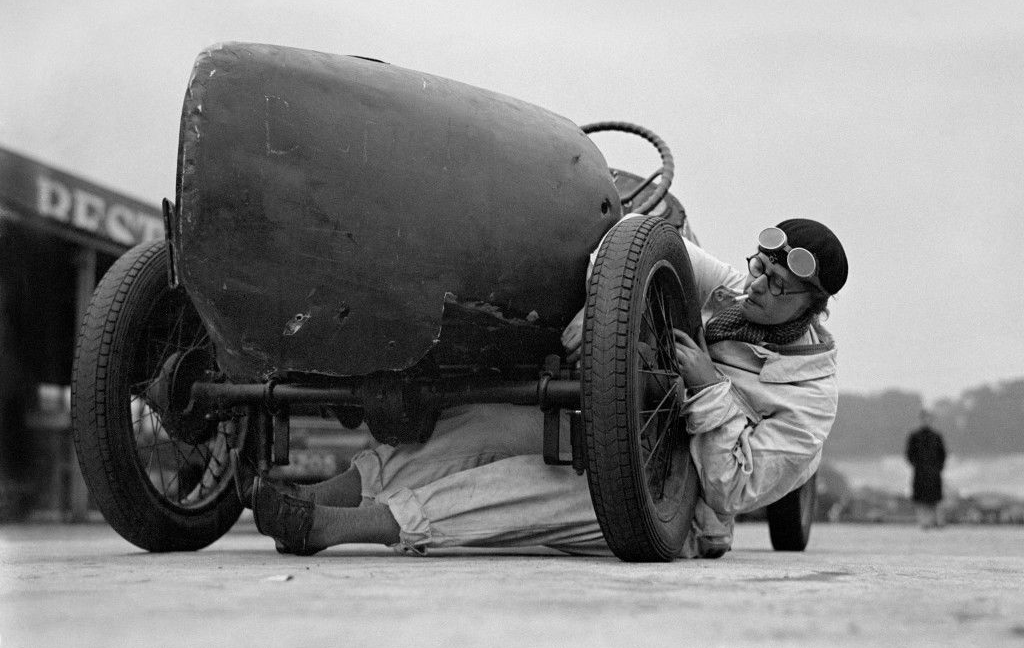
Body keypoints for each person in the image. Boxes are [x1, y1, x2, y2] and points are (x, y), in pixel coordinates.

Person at [248, 217, 849, 558]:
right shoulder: (730, 293)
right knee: (480, 425)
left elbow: (733, 488)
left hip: (676, 505)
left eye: (778, 286)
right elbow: (632, 238)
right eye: (760, 268)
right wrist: (609, 309)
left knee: (521, 491)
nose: (759, 286)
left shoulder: (810, 398)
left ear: (814, 306)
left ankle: (338, 530)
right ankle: (324, 495)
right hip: (618, 428)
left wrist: (708, 387)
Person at [905, 410, 946, 528]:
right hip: (920, 472)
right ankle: (924, 522)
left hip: (934, 472)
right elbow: (909, 453)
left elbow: (942, 454)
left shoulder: (936, 436)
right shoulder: (914, 436)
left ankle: (936, 521)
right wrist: (915, 464)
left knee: (935, 499)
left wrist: (939, 467)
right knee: (920, 499)